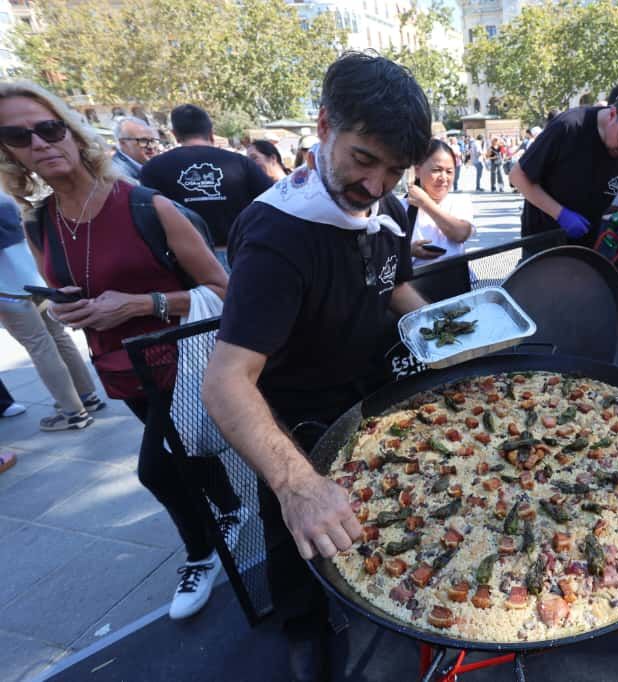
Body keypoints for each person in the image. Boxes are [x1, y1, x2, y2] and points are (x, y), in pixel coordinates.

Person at [202, 53, 431, 682]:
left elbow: (393, 287)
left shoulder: (393, 205)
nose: (376, 185)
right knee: (298, 549)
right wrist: (297, 487)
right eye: (363, 159)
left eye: (394, 169)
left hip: (376, 406)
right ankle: (305, 638)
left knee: (393, 532)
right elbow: (224, 382)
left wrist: (447, 329)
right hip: (293, 424)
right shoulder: (277, 236)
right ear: (325, 124)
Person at [0, 79, 242, 621]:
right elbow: (74, 287)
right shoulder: (40, 222)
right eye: (18, 136)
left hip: (183, 365)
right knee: (185, 456)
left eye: (48, 127)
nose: (39, 143)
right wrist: (66, 307)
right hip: (121, 369)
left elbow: (226, 292)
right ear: (9, 152)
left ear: (72, 131)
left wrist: (136, 305)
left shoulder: (146, 206)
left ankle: (201, 553)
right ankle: (230, 508)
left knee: (155, 470)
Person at [510, 87, 618, 260]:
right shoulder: (568, 127)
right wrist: (560, 214)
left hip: (589, 242)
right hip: (544, 237)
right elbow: (518, 176)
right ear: (612, 114)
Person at [0, 190, 104, 430]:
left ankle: (73, 412)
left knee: (40, 345)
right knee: (57, 337)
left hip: (9, 289)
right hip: (36, 278)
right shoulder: (6, 196)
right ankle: (87, 397)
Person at [140, 104, 273, 254]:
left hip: (187, 261)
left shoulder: (154, 168)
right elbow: (272, 203)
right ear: (211, 132)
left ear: (175, 134)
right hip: (242, 253)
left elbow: (148, 219)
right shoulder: (241, 163)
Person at [405, 138, 475, 265]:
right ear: (417, 170)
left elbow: (460, 234)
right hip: (415, 282)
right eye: (436, 170)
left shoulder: (460, 202)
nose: (443, 178)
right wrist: (408, 251)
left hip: (457, 279)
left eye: (449, 172)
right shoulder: (400, 206)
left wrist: (424, 202)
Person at [111, 116, 160, 182]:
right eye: (143, 140)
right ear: (123, 143)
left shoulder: (151, 165)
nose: (151, 146)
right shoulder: (118, 176)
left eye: (152, 140)